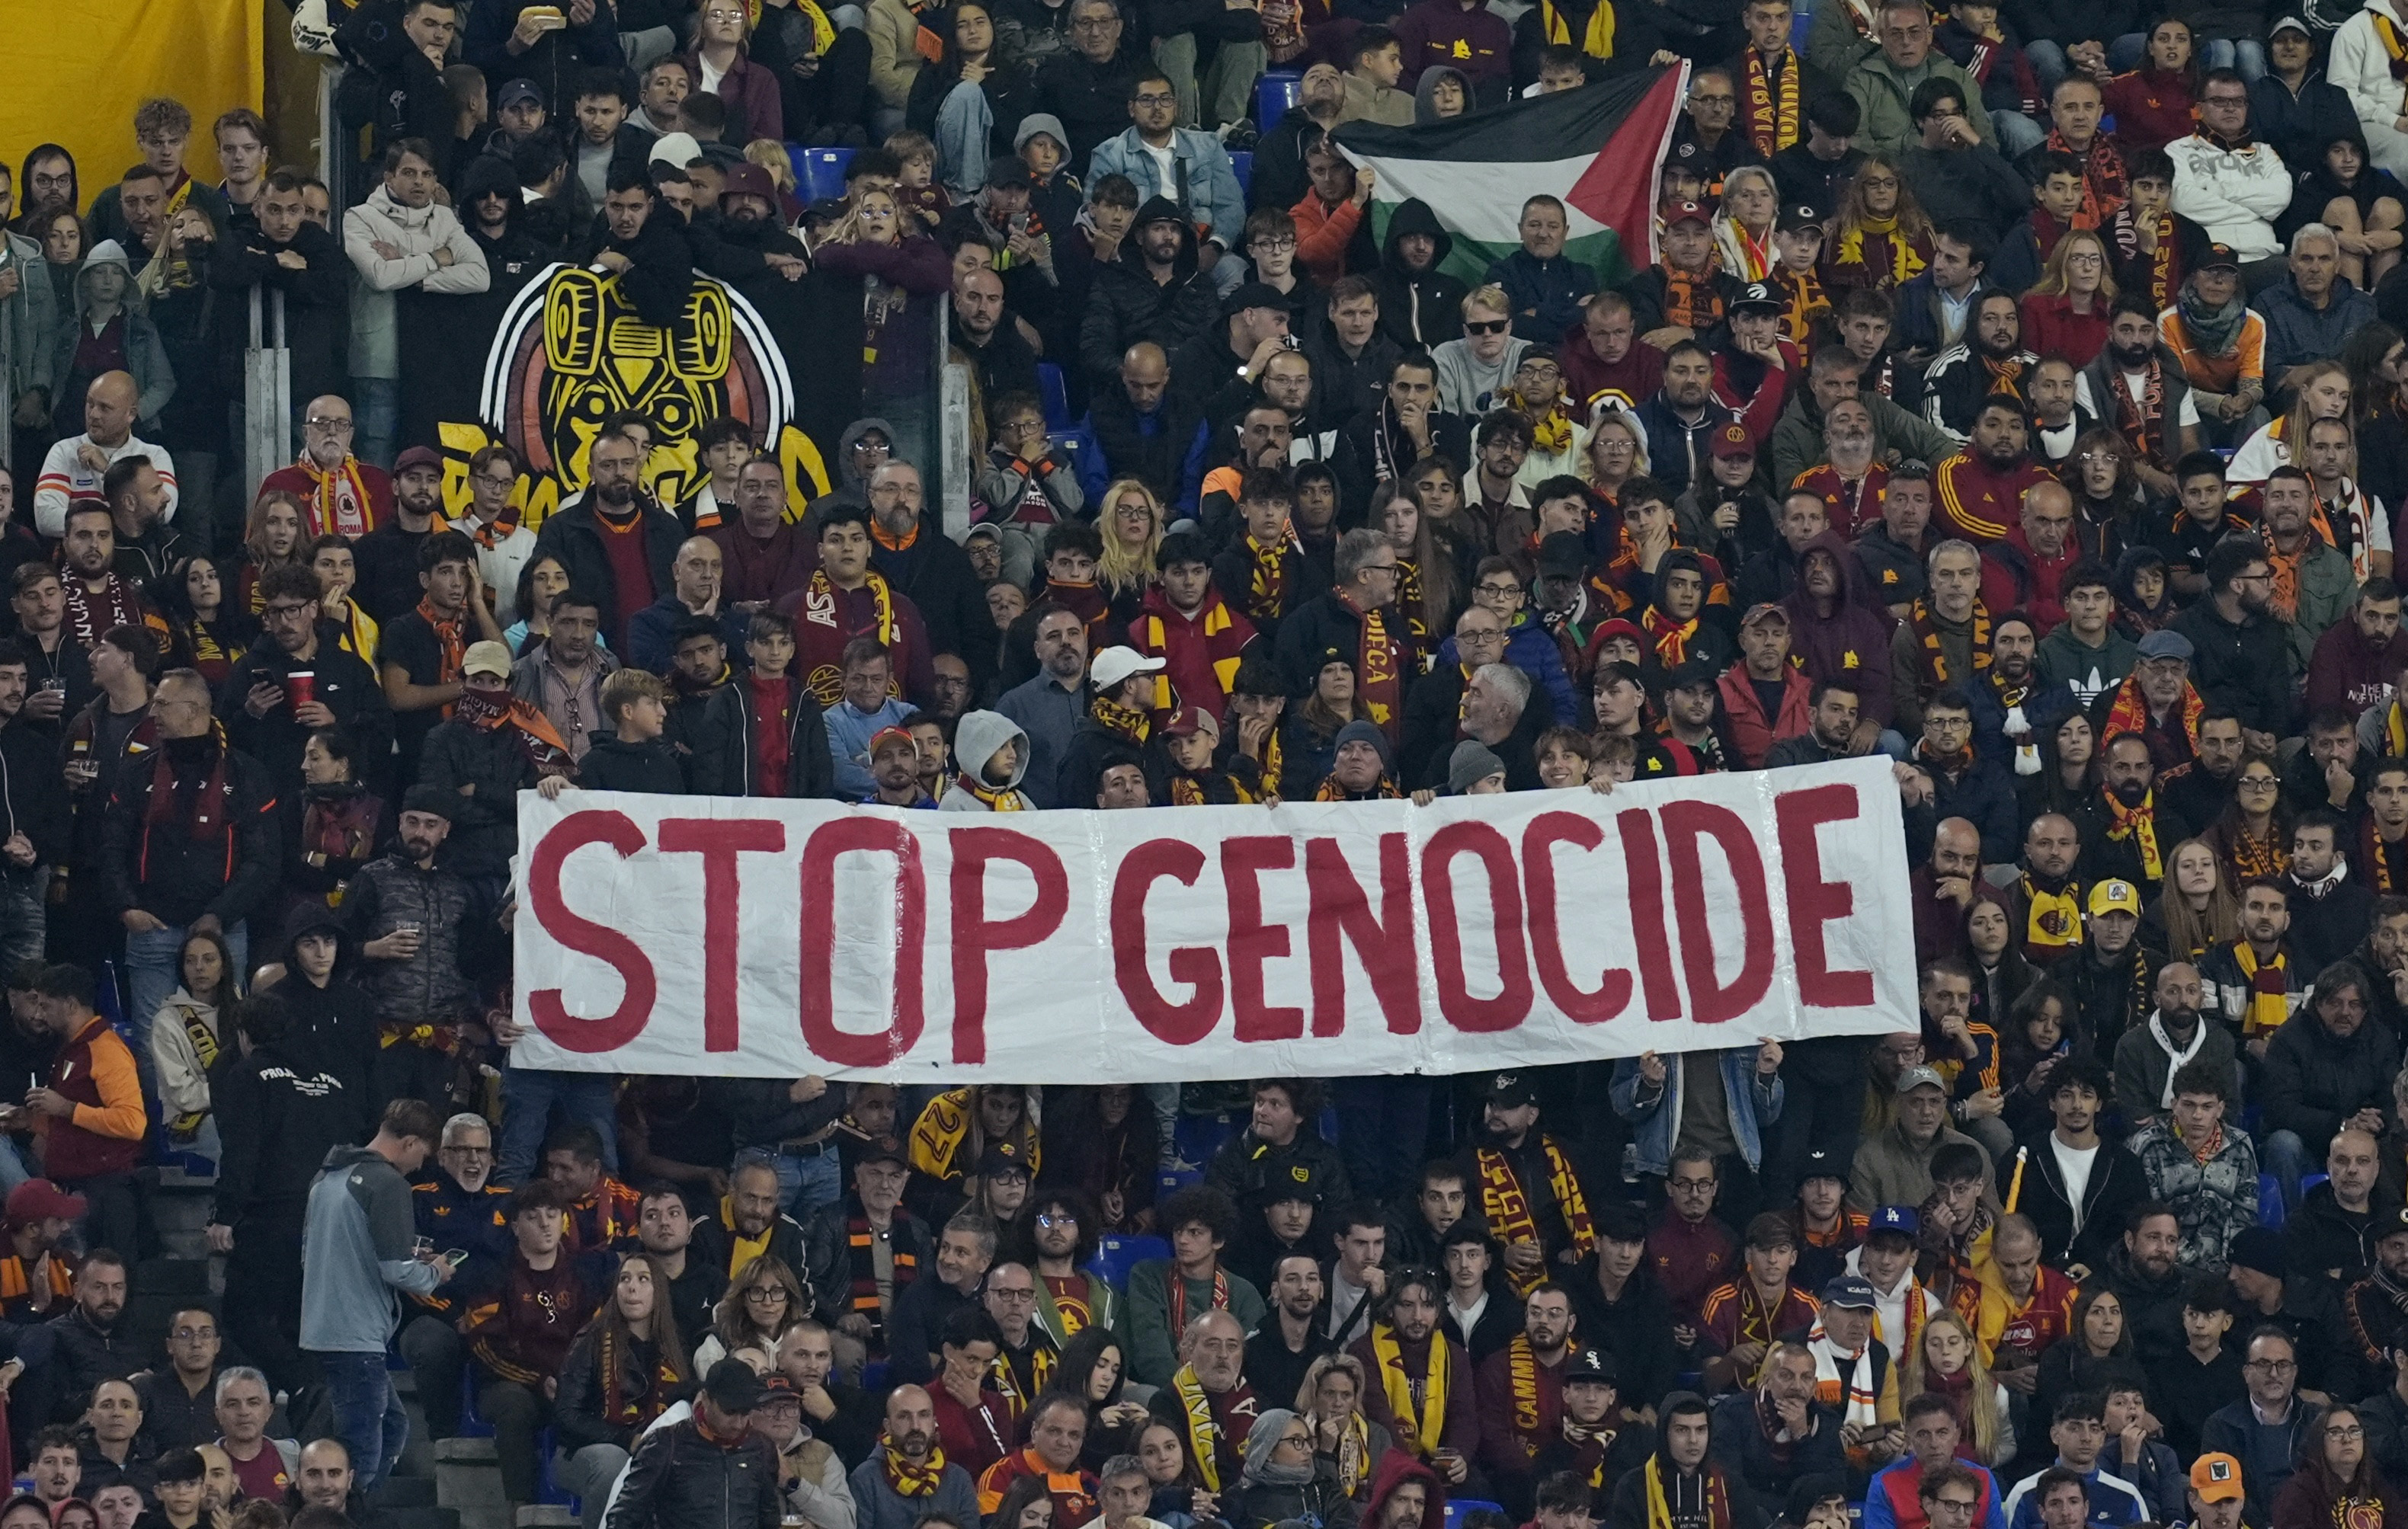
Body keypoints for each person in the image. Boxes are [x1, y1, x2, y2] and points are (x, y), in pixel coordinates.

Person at [297, 1099, 448, 1493]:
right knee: (360, 1451)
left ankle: (359, 1511)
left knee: (394, 1426)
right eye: (423, 1155)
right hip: (356, 1334)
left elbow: (315, 1252)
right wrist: (436, 1271)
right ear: (411, 1142)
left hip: (322, 1326)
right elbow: (397, 1270)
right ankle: (350, 1516)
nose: (420, 1167)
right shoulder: (389, 1183)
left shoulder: (325, 1177)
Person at [607, 1358, 785, 1529]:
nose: (739, 1423)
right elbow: (626, 1516)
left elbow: (769, 1518)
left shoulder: (762, 1447)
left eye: (746, 1412)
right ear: (706, 1400)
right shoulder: (664, 1444)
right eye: (730, 1412)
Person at [849, 1383, 981, 1529]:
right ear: (888, 1426)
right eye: (904, 1417)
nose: (916, 1426)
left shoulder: (959, 1480)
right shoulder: (866, 1479)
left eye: (924, 1415)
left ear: (933, 1423)